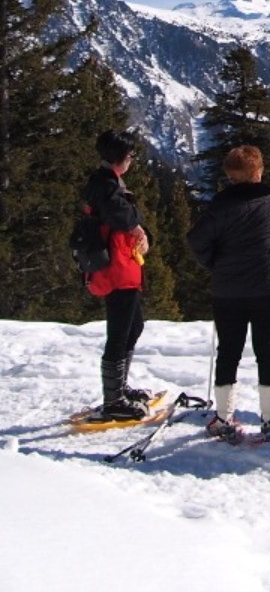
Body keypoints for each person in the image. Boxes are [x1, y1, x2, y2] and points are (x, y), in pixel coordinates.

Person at [187, 145, 270, 441]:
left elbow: (196, 240)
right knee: (268, 352)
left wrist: (215, 263)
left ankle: (223, 418)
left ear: (229, 175)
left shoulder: (221, 206)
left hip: (229, 290)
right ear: (259, 172)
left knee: (228, 352)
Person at [83, 129, 152, 420]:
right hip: (116, 269)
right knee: (120, 332)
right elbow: (121, 215)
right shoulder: (106, 185)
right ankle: (113, 400)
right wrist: (138, 228)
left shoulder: (106, 182)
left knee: (133, 326)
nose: (132, 160)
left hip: (122, 265)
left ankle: (119, 389)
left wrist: (140, 232)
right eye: (130, 155)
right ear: (120, 158)